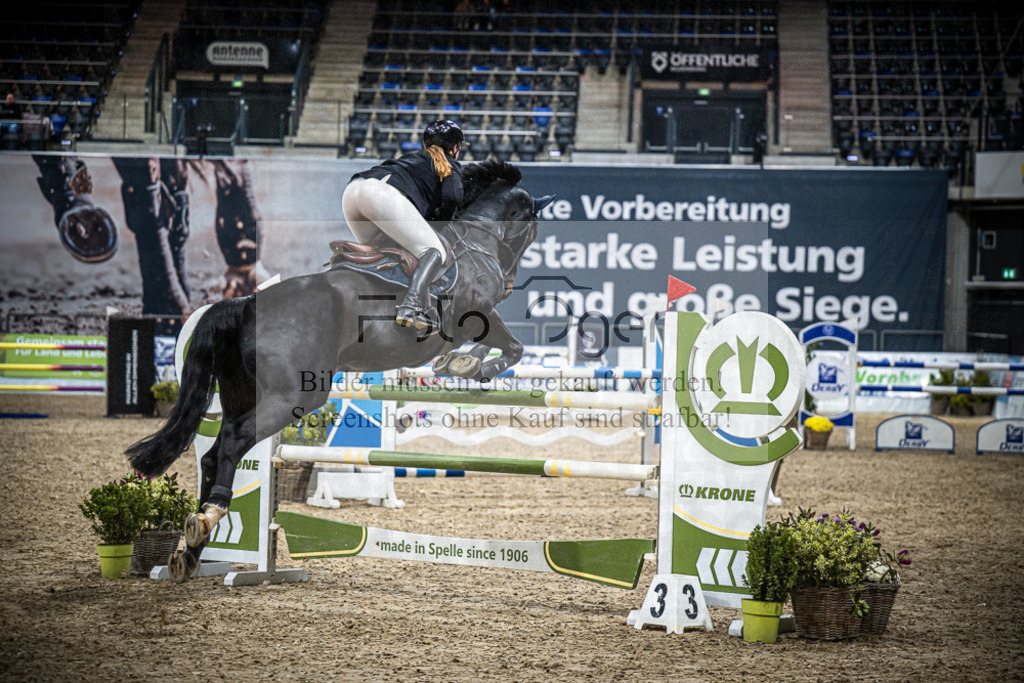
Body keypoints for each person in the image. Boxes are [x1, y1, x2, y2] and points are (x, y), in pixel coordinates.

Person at [342, 119, 467, 333]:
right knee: (434, 250)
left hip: (353, 191)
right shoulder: (447, 163)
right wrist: (438, 226)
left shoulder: (412, 158)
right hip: (380, 197)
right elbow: (453, 198)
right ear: (455, 147)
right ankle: (410, 307)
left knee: (379, 254)